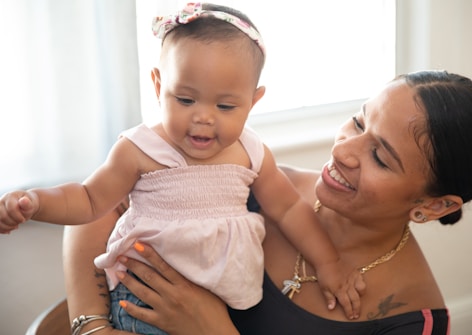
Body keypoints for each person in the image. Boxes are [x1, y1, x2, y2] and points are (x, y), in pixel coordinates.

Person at [0, 3, 364, 334]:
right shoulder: (139, 149)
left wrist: (328, 263)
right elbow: (88, 198)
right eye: (186, 99)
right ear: (159, 85)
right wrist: (35, 202)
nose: (203, 118)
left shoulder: (251, 152)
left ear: (253, 101)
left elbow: (288, 209)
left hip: (224, 305)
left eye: (225, 106)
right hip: (147, 302)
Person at [63, 69, 472, 335]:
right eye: (357, 121)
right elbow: (98, 202)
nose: (343, 151)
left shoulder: (412, 320)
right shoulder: (251, 183)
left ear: (436, 205)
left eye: (380, 158)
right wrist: (91, 325)